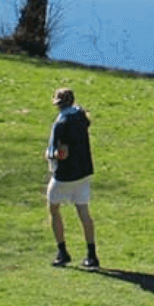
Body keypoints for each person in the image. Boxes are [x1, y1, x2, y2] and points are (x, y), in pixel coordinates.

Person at [45, 87, 98, 269]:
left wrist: (51, 155)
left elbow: (63, 153)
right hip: (84, 172)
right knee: (84, 212)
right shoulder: (81, 116)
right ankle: (92, 255)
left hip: (65, 176)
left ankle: (62, 252)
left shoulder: (61, 123)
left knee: (53, 209)